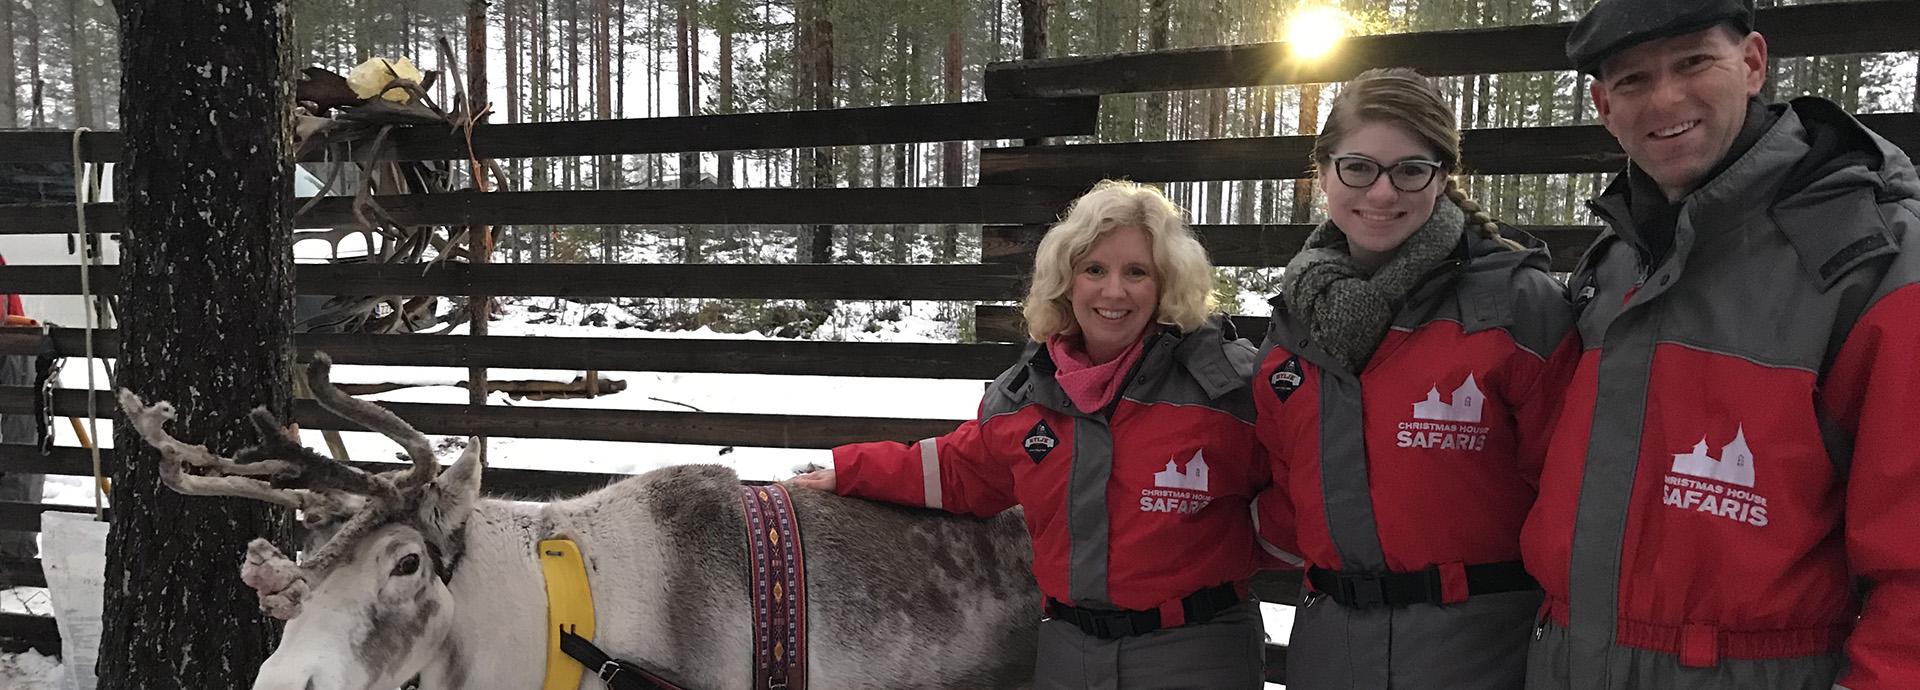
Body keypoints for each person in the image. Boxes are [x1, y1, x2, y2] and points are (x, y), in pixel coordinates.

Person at [1523, 1, 1920, 688]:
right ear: (1603, 104)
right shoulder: (1615, 258)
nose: (1666, 98)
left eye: (1693, 62)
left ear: (1754, 63)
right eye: (1633, 80)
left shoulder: (1873, 258)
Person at [792, 180, 1269, 688]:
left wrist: (1250, 547)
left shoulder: (1226, 388)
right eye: (1094, 270)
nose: (1113, 291)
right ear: (1066, 281)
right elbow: (963, 470)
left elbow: (1297, 487)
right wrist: (852, 471)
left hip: (1195, 650)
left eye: (1136, 272)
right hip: (1069, 651)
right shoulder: (1028, 393)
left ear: (1165, 283)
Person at [1245, 67, 1579, 688]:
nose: (1381, 193)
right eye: (1358, 167)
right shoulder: (1297, 317)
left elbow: (1572, 503)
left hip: (1482, 652)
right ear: (1322, 172)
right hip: (1329, 649)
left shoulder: (1515, 307)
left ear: (1443, 177)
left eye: (1409, 170)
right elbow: (1285, 489)